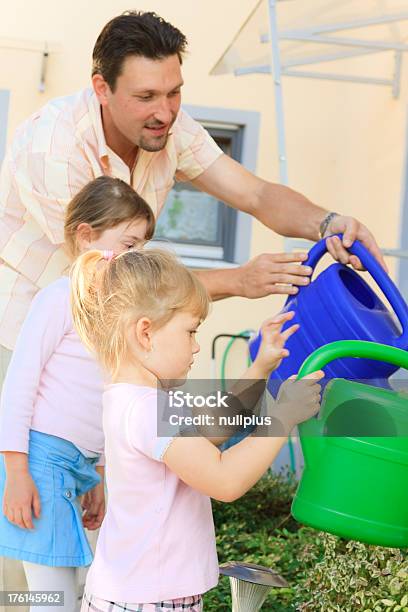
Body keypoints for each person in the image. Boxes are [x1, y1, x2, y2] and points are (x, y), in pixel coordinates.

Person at [0, 10, 386, 360]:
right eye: (146, 96)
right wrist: (238, 280)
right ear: (102, 88)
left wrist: (327, 222)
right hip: (19, 338)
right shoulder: (53, 149)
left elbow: (255, 194)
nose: (165, 112)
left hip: (101, 342)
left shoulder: (170, 128)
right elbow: (113, 281)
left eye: (174, 92)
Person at [70, 246, 323, 611]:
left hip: (140, 593)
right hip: (150, 600)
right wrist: (283, 417)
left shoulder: (135, 399)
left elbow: (209, 433)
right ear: (145, 333)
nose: (196, 345)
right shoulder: (148, 408)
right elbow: (223, 480)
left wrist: (260, 368)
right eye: (190, 331)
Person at [0, 176, 155, 611]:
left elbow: (106, 397)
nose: (135, 257)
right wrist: (15, 474)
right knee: (55, 601)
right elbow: (18, 386)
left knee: (72, 594)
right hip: (39, 466)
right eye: (129, 245)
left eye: (142, 247)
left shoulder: (110, 314)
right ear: (86, 235)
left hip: (76, 470)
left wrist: (100, 476)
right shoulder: (57, 299)